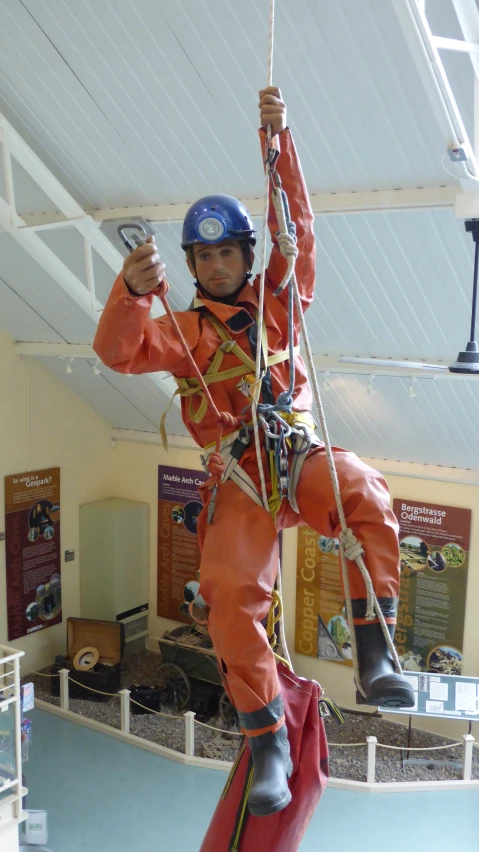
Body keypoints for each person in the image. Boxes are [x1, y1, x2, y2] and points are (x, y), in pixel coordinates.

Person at [94, 86, 414, 817]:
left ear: (246, 253)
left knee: (363, 491)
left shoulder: (281, 299)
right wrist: (130, 292)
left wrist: (279, 141)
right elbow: (117, 350)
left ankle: (375, 654)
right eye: (201, 256)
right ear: (190, 264)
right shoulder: (181, 331)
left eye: (226, 251)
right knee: (228, 597)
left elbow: (295, 225)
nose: (213, 265)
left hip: (294, 457)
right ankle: (265, 736)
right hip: (239, 476)